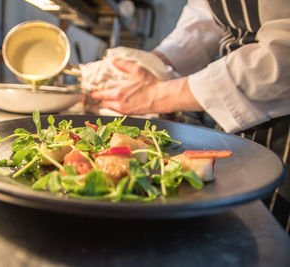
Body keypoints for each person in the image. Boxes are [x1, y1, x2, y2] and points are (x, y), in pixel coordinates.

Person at [84, 0, 290, 231]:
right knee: (222, 222)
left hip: (284, 123)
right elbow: (204, 16)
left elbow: (283, 54)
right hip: (234, 118)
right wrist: (153, 63)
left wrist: (156, 95)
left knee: (267, 233)